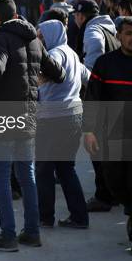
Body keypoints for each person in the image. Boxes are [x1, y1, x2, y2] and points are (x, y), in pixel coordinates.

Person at [0, 0, 65, 252]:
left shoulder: (1, 38)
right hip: (28, 114)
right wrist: (35, 83)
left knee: (2, 177)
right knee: (27, 175)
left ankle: (8, 235)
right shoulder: (34, 38)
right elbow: (59, 73)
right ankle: (32, 232)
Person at [83, 17, 132, 256]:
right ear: (119, 36)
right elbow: (92, 97)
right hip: (111, 133)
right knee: (114, 182)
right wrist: (89, 130)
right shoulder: (105, 64)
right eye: (129, 34)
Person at [35, 19, 90, 229]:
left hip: (52, 119)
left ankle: (45, 217)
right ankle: (79, 216)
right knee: (66, 169)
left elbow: (50, 75)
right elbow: (89, 78)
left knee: (44, 169)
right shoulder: (72, 54)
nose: (39, 41)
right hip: (73, 116)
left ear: (51, 35)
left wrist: (31, 82)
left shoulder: (55, 54)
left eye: (41, 36)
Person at [73, 0, 119, 212]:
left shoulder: (92, 32)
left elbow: (94, 61)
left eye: (76, 15)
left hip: (99, 99)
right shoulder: (109, 27)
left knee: (96, 148)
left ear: (82, 15)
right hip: (114, 96)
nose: (75, 19)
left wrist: (89, 78)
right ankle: (114, 192)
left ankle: (104, 195)